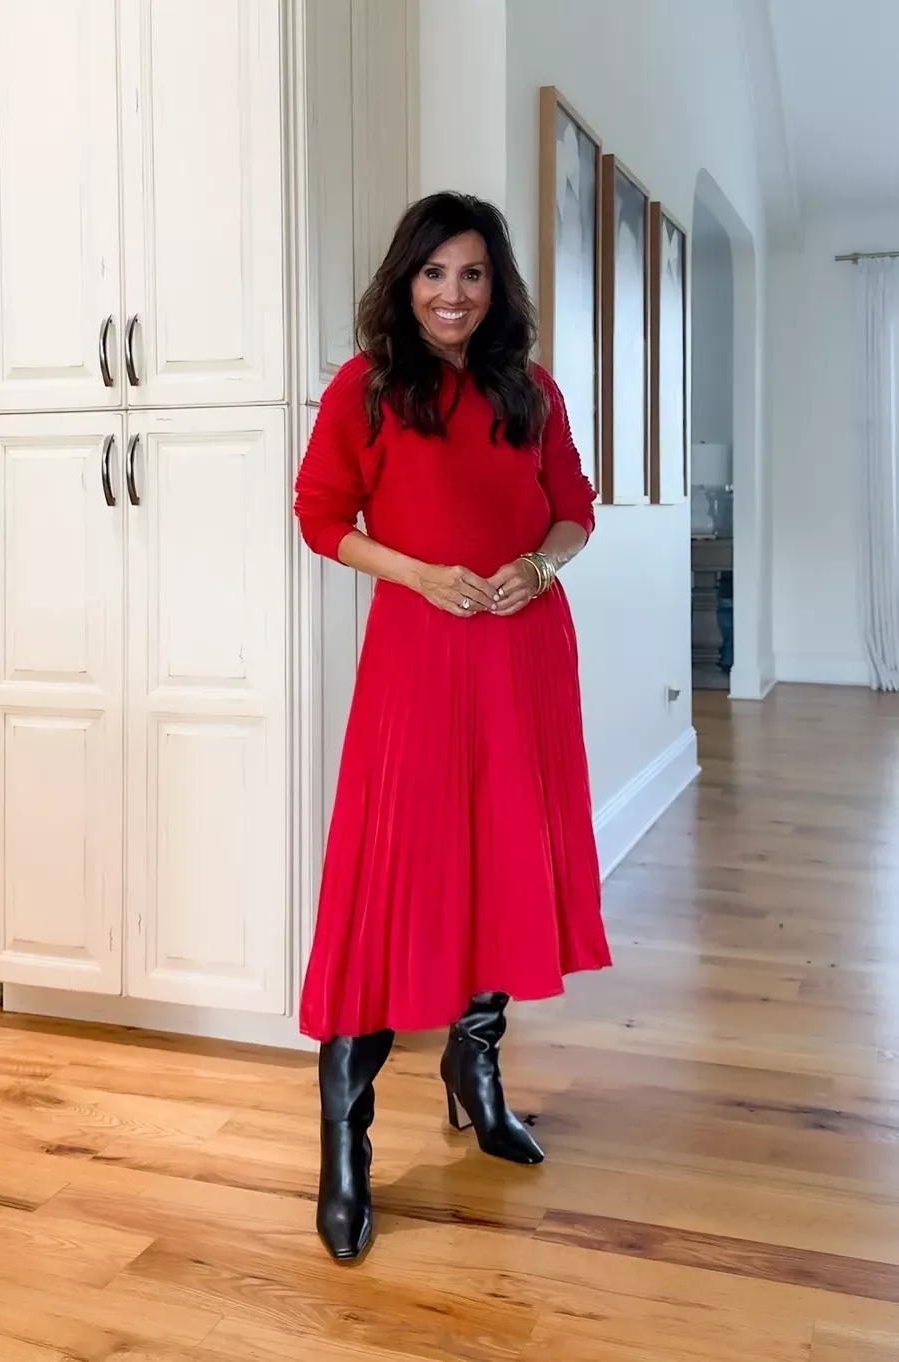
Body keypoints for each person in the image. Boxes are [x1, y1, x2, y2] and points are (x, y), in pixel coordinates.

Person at [295, 192, 612, 1263]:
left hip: (522, 656)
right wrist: (424, 575)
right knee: (395, 882)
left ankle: (476, 1071)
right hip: (420, 657)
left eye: (473, 275)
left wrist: (541, 563)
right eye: (435, 274)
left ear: (496, 288)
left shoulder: (532, 393)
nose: (452, 295)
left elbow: (574, 506)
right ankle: (346, 1142)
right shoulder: (369, 387)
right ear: (406, 279)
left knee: (499, 864)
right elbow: (322, 517)